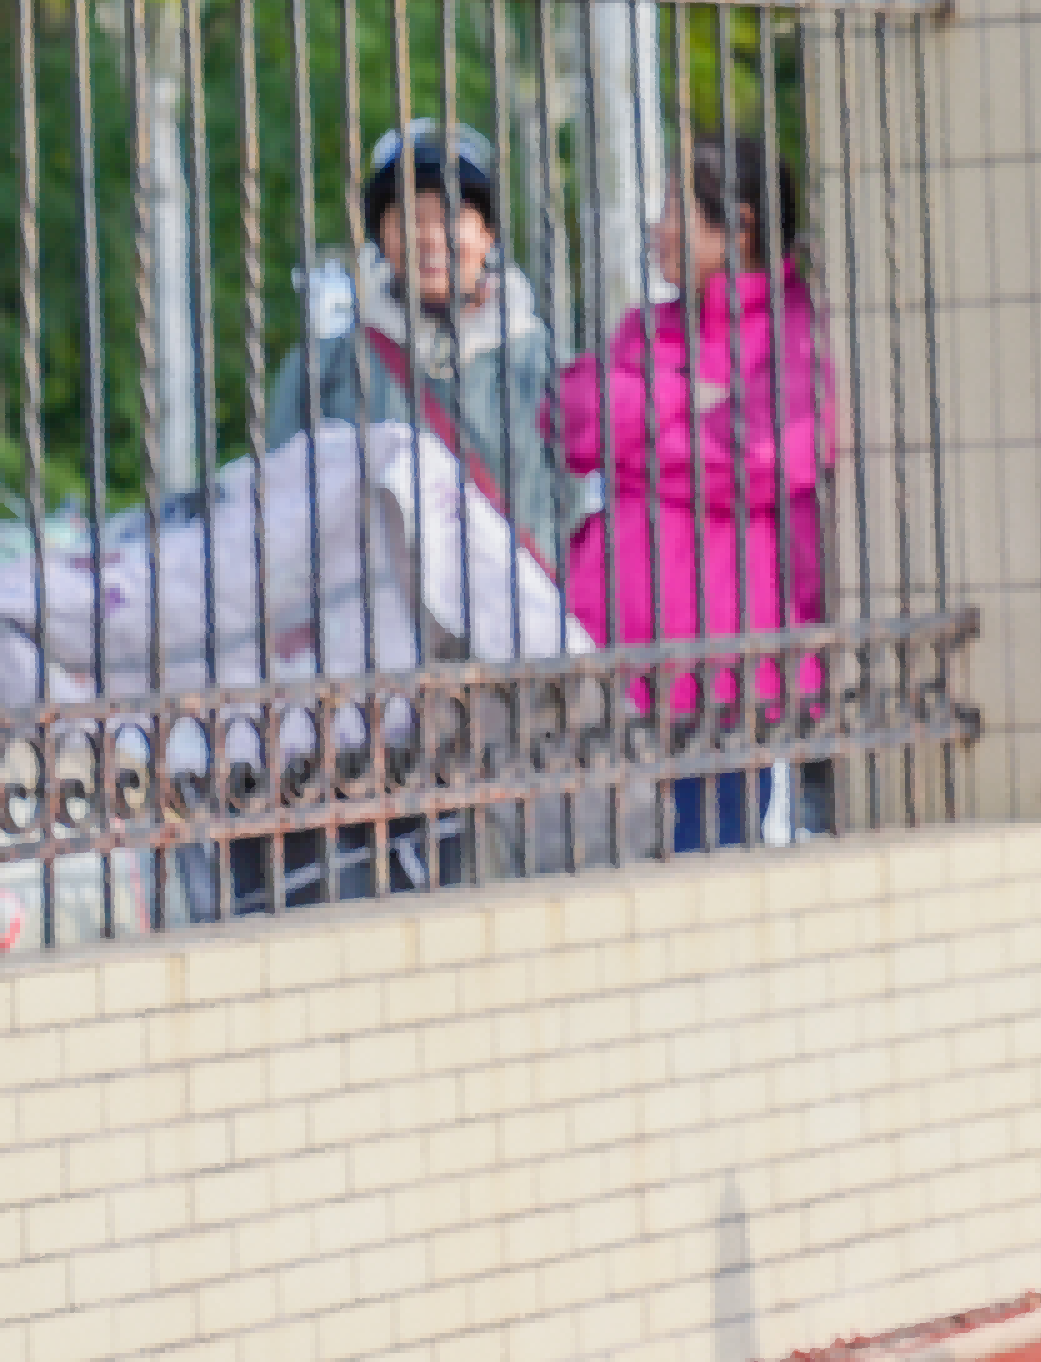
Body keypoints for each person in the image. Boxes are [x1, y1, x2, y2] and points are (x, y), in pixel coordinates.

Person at [550, 134, 841, 853]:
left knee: (712, 853)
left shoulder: (796, 331)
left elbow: (761, 461)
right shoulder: (650, 326)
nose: (659, 229)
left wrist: (633, 445)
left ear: (738, 224)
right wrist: (685, 395)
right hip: (619, 659)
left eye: (677, 210)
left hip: (730, 669)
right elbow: (570, 414)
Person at [264, 121, 587, 575]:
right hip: (368, 609)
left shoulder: (544, 363)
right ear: (381, 236)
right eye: (409, 219)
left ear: (488, 234)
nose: (432, 237)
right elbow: (282, 499)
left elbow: (576, 509)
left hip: (513, 606)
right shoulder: (327, 363)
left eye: (453, 215)